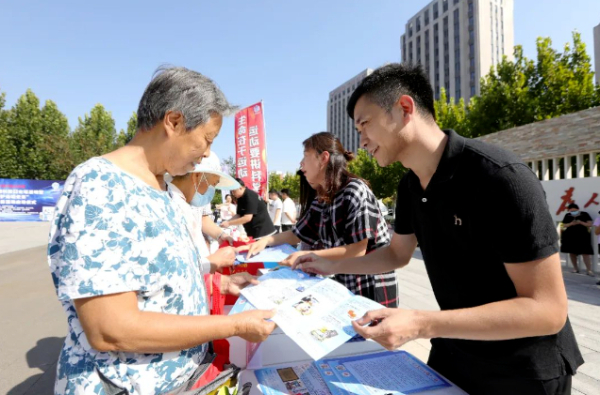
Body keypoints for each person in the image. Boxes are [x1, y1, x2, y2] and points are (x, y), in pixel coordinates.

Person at [294, 63, 583, 395]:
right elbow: (397, 254)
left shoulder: (499, 178)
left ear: (404, 108)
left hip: (524, 369)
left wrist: (419, 323)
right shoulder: (410, 186)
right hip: (455, 352)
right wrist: (328, 265)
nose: (361, 142)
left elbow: (548, 309)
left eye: (365, 125)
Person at [47, 66, 276, 395]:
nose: (208, 153)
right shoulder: (100, 187)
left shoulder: (165, 191)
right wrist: (234, 325)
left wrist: (222, 283)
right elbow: (110, 329)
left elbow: (159, 279)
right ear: (174, 122)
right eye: (207, 139)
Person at [244, 132, 398, 307]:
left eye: (305, 156)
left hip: (370, 285)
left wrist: (308, 255)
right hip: (344, 281)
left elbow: (357, 250)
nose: (301, 165)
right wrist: (266, 241)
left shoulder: (354, 191)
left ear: (324, 158)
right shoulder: (322, 198)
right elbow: (297, 234)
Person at [168, 151, 240, 273]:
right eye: (213, 184)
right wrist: (215, 261)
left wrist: (220, 235)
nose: (211, 190)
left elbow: (203, 218)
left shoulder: (188, 198)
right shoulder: (171, 205)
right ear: (197, 176)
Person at [560, 203, 594, 276]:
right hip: (571, 236)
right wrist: (571, 224)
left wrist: (581, 222)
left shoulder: (584, 214)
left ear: (578, 209)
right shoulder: (567, 215)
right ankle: (575, 268)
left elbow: (590, 224)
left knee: (585, 254)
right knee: (572, 253)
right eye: (571, 211)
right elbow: (563, 225)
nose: (572, 212)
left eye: (574, 211)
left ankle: (589, 270)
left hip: (583, 236)